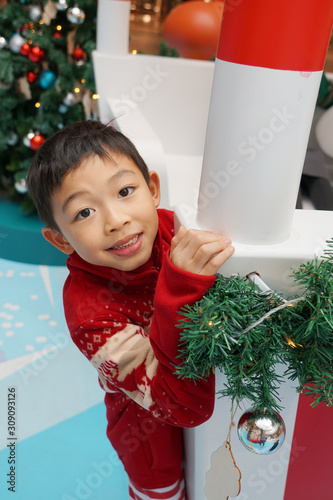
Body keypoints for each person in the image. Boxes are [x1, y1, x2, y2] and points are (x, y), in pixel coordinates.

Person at [26, 120, 235, 500]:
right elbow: (185, 409)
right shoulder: (89, 315)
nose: (116, 220)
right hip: (147, 427)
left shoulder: (172, 230)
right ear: (60, 240)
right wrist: (179, 291)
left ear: (152, 189)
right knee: (161, 488)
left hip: (209, 401)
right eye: (84, 213)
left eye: (125, 191)